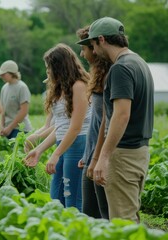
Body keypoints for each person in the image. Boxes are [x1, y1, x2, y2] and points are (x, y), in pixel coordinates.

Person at [77, 17, 154, 222]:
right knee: (129, 218)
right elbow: (108, 116)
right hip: (139, 151)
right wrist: (96, 157)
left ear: (101, 39)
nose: (93, 51)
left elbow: (121, 115)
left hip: (123, 155)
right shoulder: (139, 62)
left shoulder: (120, 68)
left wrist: (104, 157)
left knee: (122, 223)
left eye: (92, 44)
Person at [25, 43, 91, 210]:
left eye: (50, 68)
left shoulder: (79, 86)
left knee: (73, 202)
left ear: (60, 67)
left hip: (78, 144)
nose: (48, 72)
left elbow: (75, 127)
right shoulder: (61, 89)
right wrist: (39, 150)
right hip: (63, 144)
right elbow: (60, 127)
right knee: (56, 199)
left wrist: (55, 154)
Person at [76, 26, 111, 219]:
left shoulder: (109, 76)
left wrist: (97, 157)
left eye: (85, 49)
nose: (82, 54)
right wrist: (88, 153)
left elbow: (107, 122)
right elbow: (95, 122)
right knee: (90, 213)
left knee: (101, 214)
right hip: (92, 154)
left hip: (102, 156)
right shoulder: (97, 76)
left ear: (94, 47)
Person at [0, 60, 32, 139]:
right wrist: (2, 126)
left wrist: (10, 128)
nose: (1, 76)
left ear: (12, 73)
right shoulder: (4, 88)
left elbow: (24, 111)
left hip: (20, 130)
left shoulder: (22, 87)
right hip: (7, 129)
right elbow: (3, 110)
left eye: (3, 74)